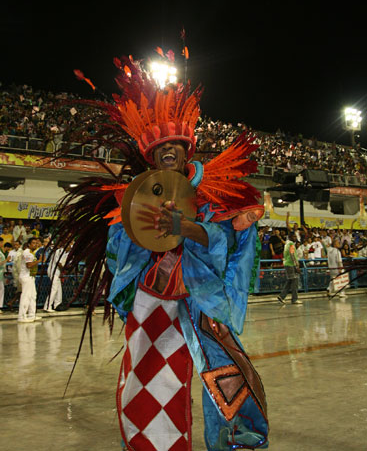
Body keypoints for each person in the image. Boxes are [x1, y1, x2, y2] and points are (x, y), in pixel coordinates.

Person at [57, 55, 269, 450]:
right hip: (153, 305)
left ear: (186, 151)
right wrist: (140, 233)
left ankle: (234, 442)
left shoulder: (212, 197)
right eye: (159, 150)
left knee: (226, 382)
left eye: (173, 146)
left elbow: (225, 242)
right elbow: (118, 255)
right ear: (150, 158)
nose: (166, 152)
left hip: (201, 308)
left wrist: (187, 228)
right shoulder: (132, 201)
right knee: (147, 382)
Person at [18, 237, 44, 322]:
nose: (35, 244)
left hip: (31, 276)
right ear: (29, 244)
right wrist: (39, 261)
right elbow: (29, 265)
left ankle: (31, 315)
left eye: (36, 243)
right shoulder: (27, 253)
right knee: (26, 296)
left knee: (33, 296)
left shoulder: (31, 253)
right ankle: (22, 317)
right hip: (26, 276)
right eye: (33, 243)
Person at [277, 232, 302, 304]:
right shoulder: (291, 244)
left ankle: (282, 296)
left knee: (290, 281)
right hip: (291, 264)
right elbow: (292, 254)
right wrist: (296, 265)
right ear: (290, 237)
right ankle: (294, 299)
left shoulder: (286, 244)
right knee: (295, 281)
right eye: (294, 236)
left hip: (287, 264)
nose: (295, 238)